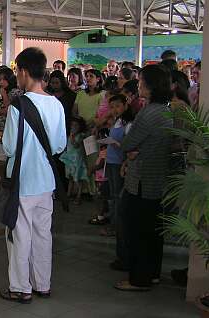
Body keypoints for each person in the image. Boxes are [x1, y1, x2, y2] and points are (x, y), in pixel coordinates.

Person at [0, 47, 67, 304]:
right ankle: (43, 284)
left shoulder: (18, 106)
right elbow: (59, 145)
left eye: (17, 72)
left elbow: (9, 147)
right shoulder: (56, 104)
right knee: (43, 233)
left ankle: (20, 288)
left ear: (25, 72)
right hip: (46, 181)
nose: (17, 77)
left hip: (23, 182)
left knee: (19, 234)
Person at [115, 64, 173, 292]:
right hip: (157, 179)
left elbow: (128, 143)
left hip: (142, 180)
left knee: (137, 230)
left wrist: (130, 151)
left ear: (149, 86)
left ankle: (139, 278)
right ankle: (152, 273)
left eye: (141, 81)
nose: (138, 84)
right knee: (153, 232)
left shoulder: (148, 112)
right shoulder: (166, 110)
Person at [104, 94, 135, 271]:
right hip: (112, 161)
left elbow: (129, 145)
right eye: (112, 106)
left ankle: (117, 226)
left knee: (118, 196)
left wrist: (117, 144)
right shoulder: (116, 121)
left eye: (117, 106)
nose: (114, 110)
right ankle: (114, 225)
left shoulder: (128, 123)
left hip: (120, 163)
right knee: (113, 195)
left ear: (125, 105)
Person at [59, 116, 88, 204]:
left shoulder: (80, 136)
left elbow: (76, 145)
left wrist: (72, 137)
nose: (73, 127)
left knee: (77, 178)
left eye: (76, 125)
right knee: (70, 177)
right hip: (69, 159)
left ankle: (78, 196)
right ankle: (68, 194)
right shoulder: (69, 135)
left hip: (77, 160)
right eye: (72, 125)